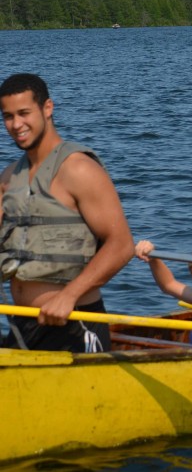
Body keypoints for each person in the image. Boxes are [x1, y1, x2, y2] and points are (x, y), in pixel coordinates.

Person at [0, 73, 135, 353]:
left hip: (74, 324)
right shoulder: (10, 176)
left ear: (47, 108)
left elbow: (121, 246)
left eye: (24, 113)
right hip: (22, 325)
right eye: (8, 116)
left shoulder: (79, 169)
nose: (16, 125)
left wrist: (69, 296)